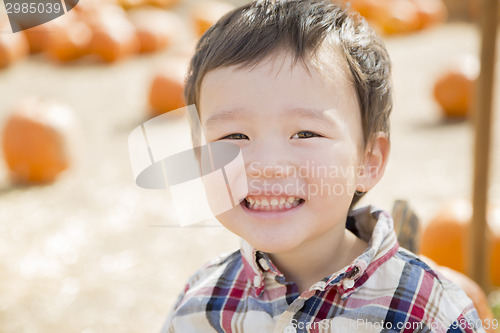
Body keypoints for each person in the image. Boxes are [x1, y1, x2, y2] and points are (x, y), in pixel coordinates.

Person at [161, 0, 485, 331]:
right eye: (234, 135)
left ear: (368, 161)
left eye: (305, 133)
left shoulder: (427, 312)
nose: (268, 166)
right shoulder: (197, 307)